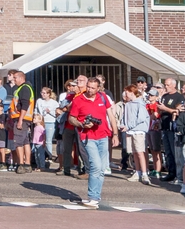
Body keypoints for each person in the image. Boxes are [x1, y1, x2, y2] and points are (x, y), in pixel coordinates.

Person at [68, 76, 113, 209]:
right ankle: (92, 197)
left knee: (102, 169)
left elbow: (111, 115)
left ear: (98, 88)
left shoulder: (103, 97)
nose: (89, 90)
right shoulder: (78, 100)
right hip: (87, 136)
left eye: (93, 88)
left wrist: (115, 133)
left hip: (103, 135)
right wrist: (81, 124)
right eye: (88, 87)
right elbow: (71, 118)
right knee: (95, 166)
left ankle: (96, 196)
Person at [121, 85, 152, 184]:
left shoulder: (140, 103)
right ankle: (137, 172)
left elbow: (141, 118)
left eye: (127, 93)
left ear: (132, 93)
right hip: (130, 131)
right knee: (134, 152)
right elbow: (124, 117)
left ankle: (144, 174)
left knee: (140, 152)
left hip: (138, 131)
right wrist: (122, 125)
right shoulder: (127, 104)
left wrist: (128, 126)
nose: (125, 95)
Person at [159, 77, 185, 182]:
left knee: (175, 151)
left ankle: (178, 174)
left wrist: (165, 109)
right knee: (167, 151)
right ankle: (171, 172)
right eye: (165, 85)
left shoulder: (179, 97)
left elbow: (178, 111)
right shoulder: (164, 96)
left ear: (174, 85)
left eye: (168, 85)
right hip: (164, 126)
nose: (166, 87)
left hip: (173, 127)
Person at [9, 70, 35, 173]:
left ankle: (21, 164)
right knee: (25, 142)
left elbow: (25, 105)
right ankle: (27, 164)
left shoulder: (24, 88)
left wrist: (20, 120)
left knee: (18, 142)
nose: (14, 80)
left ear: (21, 78)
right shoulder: (24, 88)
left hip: (22, 119)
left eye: (15, 78)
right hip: (24, 119)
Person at [36, 86, 59, 171]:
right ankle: (41, 155)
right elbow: (36, 110)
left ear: (49, 94)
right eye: (42, 93)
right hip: (41, 122)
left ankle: (49, 156)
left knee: (48, 140)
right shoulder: (39, 101)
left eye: (44, 93)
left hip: (50, 122)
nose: (43, 95)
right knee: (40, 140)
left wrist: (50, 111)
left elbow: (57, 113)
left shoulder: (54, 103)